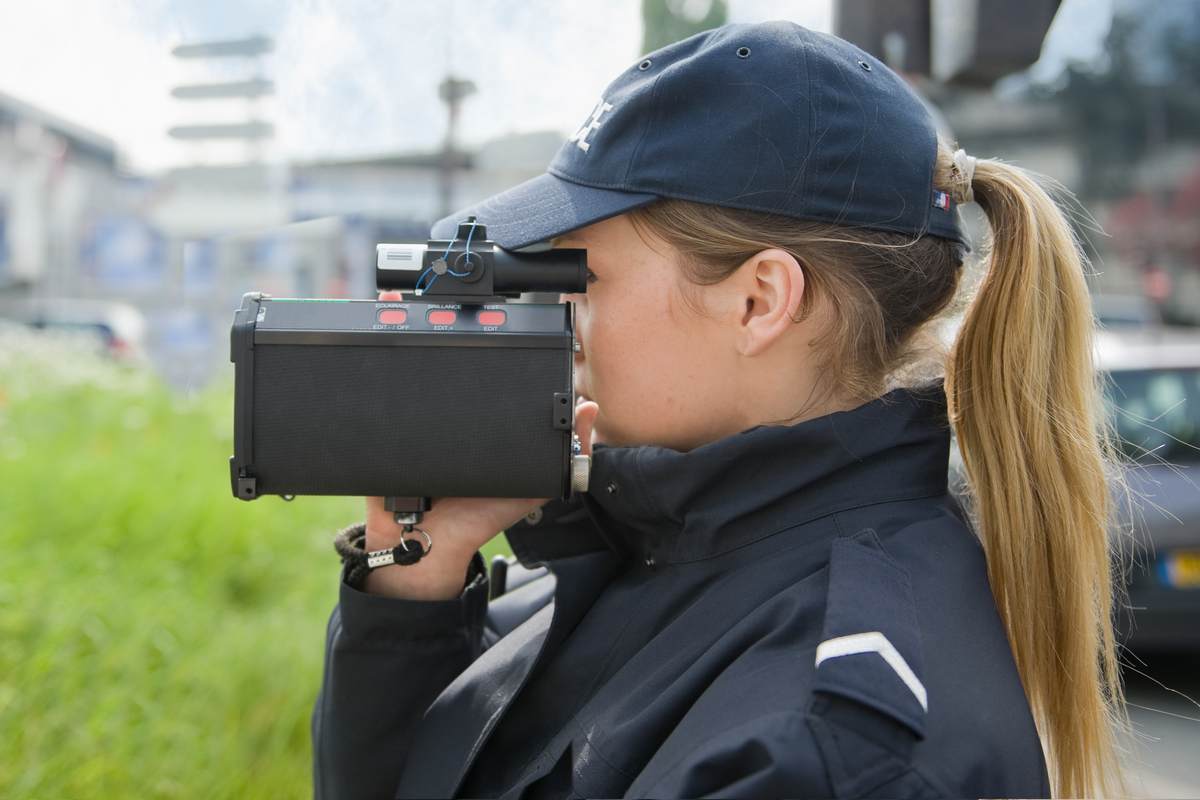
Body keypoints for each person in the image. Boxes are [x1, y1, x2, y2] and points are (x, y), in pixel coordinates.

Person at [312, 20, 1129, 799]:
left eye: (580, 280)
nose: (557, 322)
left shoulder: (824, 755)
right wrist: (413, 577)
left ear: (758, 301)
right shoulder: (633, 555)